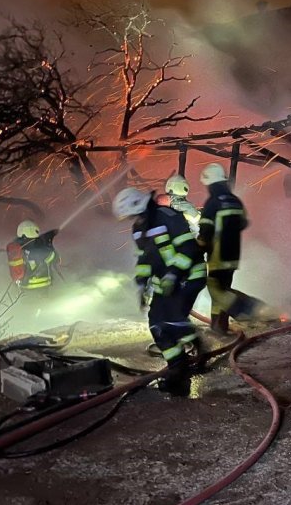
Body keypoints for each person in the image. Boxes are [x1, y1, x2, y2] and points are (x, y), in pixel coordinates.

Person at [112, 187, 207, 395]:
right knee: (156, 324)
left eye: (134, 215)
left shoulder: (169, 216)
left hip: (189, 276)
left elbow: (189, 249)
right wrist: (141, 283)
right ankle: (177, 365)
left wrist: (173, 274)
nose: (133, 220)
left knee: (172, 319)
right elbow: (144, 258)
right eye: (130, 217)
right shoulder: (138, 229)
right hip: (164, 283)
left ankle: (194, 344)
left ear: (142, 206)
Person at [197, 163, 276, 335]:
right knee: (222, 288)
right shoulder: (235, 200)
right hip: (233, 255)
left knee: (216, 289)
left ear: (210, 184)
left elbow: (205, 233)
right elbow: (243, 223)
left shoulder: (212, 203)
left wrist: (196, 249)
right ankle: (219, 326)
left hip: (218, 255)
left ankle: (250, 309)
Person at [6, 220, 59, 290]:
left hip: (24, 286)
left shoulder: (18, 246)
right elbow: (52, 258)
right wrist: (51, 248)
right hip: (41, 285)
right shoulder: (36, 245)